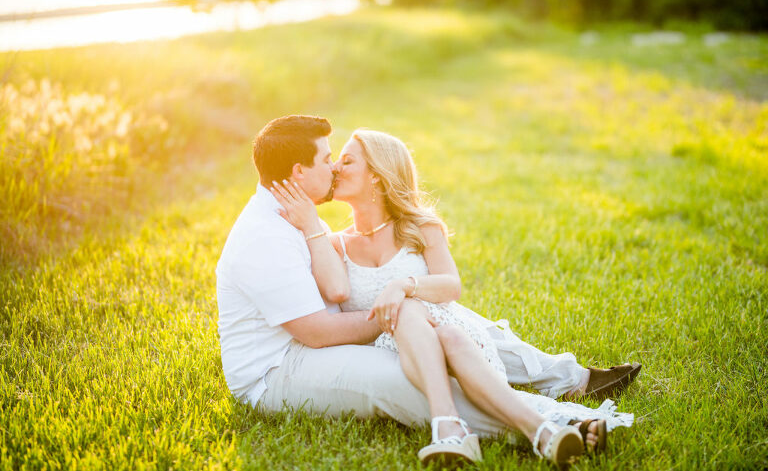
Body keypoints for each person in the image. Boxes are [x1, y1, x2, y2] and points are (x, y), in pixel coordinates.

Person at [216, 115, 636, 467]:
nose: (336, 169)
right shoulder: (264, 236)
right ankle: (558, 424)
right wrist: (400, 314)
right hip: (277, 370)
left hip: (327, 338)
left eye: (342, 160)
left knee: (460, 328)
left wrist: (408, 302)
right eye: (329, 160)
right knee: (409, 376)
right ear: (298, 173)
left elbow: (353, 288)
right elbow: (316, 332)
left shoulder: (302, 216)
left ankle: (570, 381)